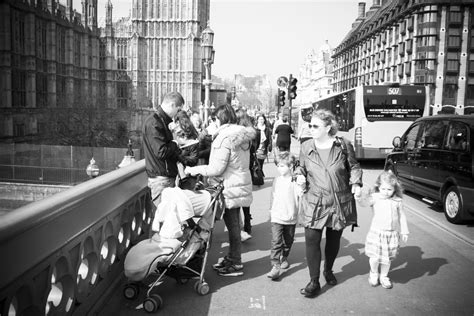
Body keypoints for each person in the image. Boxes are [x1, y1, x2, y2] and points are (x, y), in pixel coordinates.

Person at [295, 109, 362, 298]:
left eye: (315, 126)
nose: (311, 129)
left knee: (333, 241)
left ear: (328, 127)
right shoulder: (306, 146)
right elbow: (300, 167)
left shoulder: (343, 145)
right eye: (310, 125)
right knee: (311, 239)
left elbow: (354, 166)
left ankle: (329, 270)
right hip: (314, 200)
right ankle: (314, 281)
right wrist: (299, 176)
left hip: (338, 201)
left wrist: (356, 183)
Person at [185, 104, 256, 276]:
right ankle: (233, 258)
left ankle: (235, 262)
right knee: (234, 225)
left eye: (214, 119)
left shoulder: (225, 138)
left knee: (232, 226)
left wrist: (192, 170)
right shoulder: (241, 136)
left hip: (228, 185)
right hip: (238, 183)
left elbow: (216, 168)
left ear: (219, 119)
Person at [360, 171, 409, 289]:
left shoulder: (397, 201)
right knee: (375, 257)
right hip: (377, 232)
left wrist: (404, 231)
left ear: (394, 189)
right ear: (378, 187)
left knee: (386, 259)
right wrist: (358, 196)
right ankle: (373, 273)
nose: (386, 192)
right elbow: (364, 203)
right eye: (383, 189)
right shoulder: (375, 197)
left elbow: (402, 215)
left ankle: (384, 276)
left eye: (389, 189)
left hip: (391, 234)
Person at [267, 151, 304, 280]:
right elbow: (273, 195)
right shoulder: (276, 180)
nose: (279, 169)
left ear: (291, 165)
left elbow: (301, 194)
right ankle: (275, 266)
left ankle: (284, 256)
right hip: (277, 216)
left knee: (288, 241)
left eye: (282, 166)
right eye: (278, 166)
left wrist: (302, 183)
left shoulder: (295, 180)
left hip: (290, 216)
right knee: (276, 241)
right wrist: (271, 210)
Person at [142, 92, 184, 207]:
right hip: (161, 180)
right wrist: (176, 143)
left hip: (166, 177)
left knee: (169, 220)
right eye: (178, 109)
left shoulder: (163, 121)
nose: (178, 114)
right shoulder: (154, 122)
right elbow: (161, 151)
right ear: (172, 105)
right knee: (164, 220)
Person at [236, 108, 257, 242]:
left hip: (237, 170)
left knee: (237, 201)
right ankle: (247, 222)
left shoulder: (236, 137)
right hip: (247, 169)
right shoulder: (251, 135)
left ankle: (240, 227)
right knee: (246, 199)